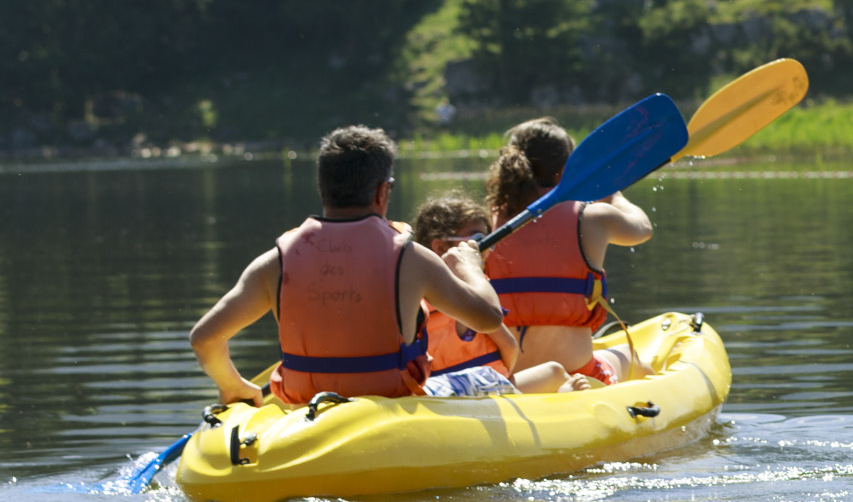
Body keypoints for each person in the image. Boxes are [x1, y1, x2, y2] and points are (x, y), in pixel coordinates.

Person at [189, 127, 511, 407]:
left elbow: (204, 338)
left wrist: (233, 385)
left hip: (306, 405)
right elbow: (488, 318)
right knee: (488, 377)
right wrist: (469, 266)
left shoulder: (275, 262)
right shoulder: (412, 258)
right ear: (383, 191)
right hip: (392, 402)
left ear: (323, 187)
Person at [481, 118, 654, 384]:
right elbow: (643, 229)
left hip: (514, 379)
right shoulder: (593, 218)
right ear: (566, 171)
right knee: (631, 358)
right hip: (581, 373)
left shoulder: (489, 223)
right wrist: (613, 195)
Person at [408, 196, 572, 397]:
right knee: (555, 371)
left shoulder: (414, 298)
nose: (484, 250)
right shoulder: (475, 296)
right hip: (484, 390)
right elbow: (509, 348)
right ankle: (565, 396)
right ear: (440, 247)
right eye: (478, 241)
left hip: (438, 391)